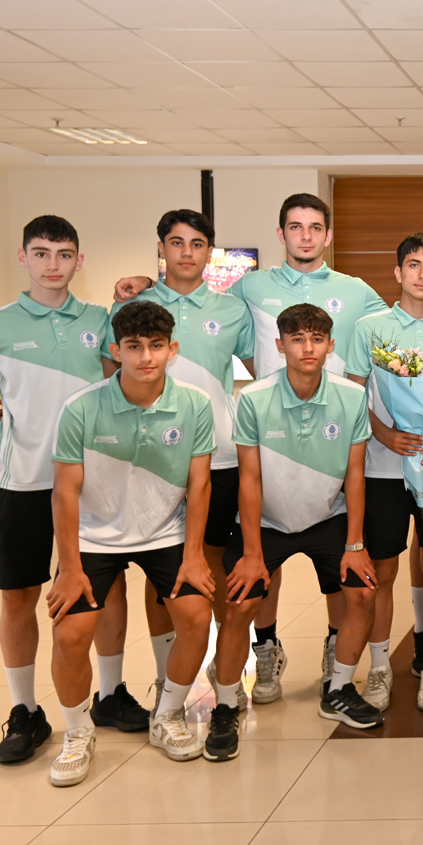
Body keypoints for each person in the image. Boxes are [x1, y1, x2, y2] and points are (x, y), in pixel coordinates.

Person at [113, 194, 411, 699]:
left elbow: (400, 322)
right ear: (281, 234)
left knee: (332, 567)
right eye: (295, 227)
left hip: (327, 446)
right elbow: (192, 294)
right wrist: (144, 284)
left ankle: (334, 648)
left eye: (314, 227)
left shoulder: (356, 290)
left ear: (327, 235)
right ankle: (262, 649)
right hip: (257, 445)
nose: (305, 236)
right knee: (246, 561)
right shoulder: (247, 290)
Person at [0, 215, 124, 765]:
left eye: (63, 254)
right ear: (23, 257)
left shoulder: (101, 320)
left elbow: (123, 383)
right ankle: (25, 710)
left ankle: (111, 694)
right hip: (21, 482)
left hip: (91, 480)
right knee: (18, 596)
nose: (52, 265)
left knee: (105, 590)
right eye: (41, 253)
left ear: (79, 260)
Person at [44, 301, 216, 785]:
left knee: (196, 618)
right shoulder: (81, 408)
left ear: (172, 350)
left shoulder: (195, 405)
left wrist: (194, 555)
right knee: (68, 635)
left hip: (165, 531)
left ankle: (167, 715)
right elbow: (65, 492)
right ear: (116, 351)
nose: (146, 357)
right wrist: (70, 568)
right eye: (134, 347)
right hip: (95, 536)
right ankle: (78, 732)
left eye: (156, 346)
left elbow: (200, 484)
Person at [205, 304, 381, 762]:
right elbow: (249, 479)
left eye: (317, 339)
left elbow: (356, 475)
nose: (308, 348)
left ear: (330, 345)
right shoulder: (254, 398)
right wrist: (251, 552)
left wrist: (355, 545)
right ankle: (225, 706)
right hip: (266, 522)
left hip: (328, 517)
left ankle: (339, 689)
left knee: (362, 594)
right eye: (298, 339)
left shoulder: (351, 397)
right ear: (280, 345)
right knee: (239, 604)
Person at [106, 209, 255, 707]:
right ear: (161, 249)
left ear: (209, 252)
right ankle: (164, 676)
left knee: (214, 566)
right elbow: (108, 376)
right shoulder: (135, 304)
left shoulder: (232, 310)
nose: (186, 252)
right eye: (176, 242)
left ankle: (218, 667)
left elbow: (264, 373)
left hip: (220, 458)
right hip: (154, 462)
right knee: (161, 574)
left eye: (196, 244)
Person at [347, 233, 423, 712]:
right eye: (414, 265)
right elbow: (352, 393)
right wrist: (383, 433)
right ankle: (379, 668)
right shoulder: (370, 328)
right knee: (383, 568)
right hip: (382, 468)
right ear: (398, 272)